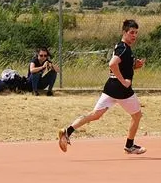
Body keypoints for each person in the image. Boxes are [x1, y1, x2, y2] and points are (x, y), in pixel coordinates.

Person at [58, 19, 146, 154]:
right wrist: (123, 81)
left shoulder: (121, 46)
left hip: (110, 87)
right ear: (124, 32)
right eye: (131, 32)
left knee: (95, 114)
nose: (134, 35)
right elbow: (112, 64)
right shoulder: (124, 49)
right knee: (137, 116)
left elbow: (122, 65)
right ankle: (130, 145)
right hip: (122, 90)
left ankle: (67, 131)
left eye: (136, 33)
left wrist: (134, 65)